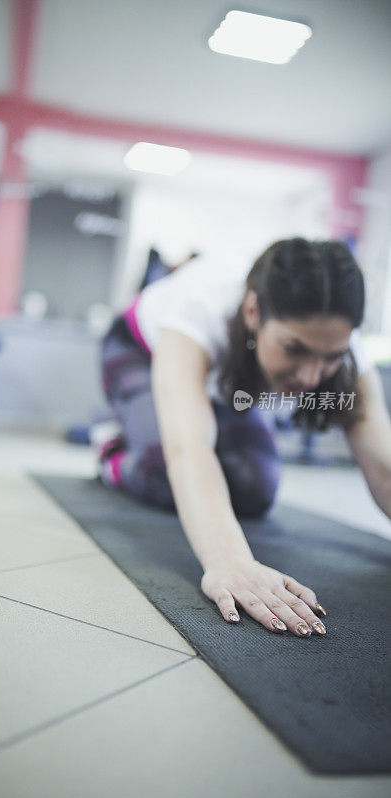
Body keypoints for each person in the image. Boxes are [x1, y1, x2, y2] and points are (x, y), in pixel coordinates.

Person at [97, 237, 391, 638]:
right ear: (252, 311)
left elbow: (384, 463)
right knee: (162, 469)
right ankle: (114, 452)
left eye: (331, 358)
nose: (310, 377)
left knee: (255, 488)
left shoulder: (339, 339)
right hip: (140, 350)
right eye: (294, 350)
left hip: (224, 383)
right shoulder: (201, 308)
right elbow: (190, 448)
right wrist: (230, 561)